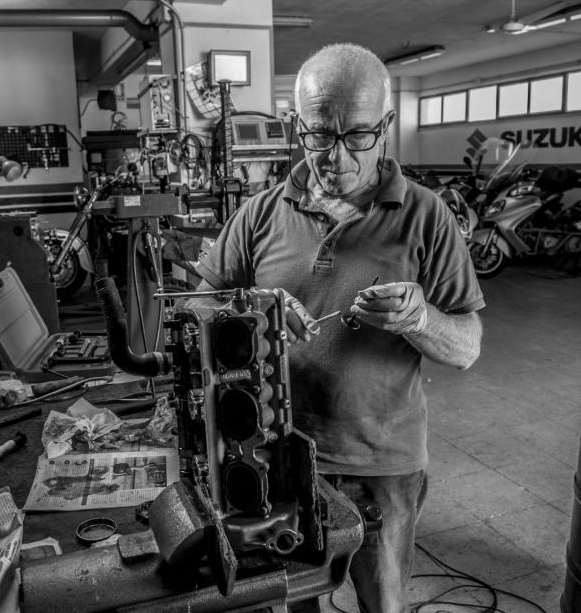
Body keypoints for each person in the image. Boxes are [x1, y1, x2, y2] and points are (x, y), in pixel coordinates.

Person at [190, 42, 485, 612]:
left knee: (383, 600)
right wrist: (252, 310)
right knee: (295, 600)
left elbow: (466, 347)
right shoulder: (260, 212)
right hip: (275, 456)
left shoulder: (428, 217)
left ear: (386, 126)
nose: (338, 157)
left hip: (382, 463)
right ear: (296, 125)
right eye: (321, 135)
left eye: (358, 135)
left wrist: (419, 318)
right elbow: (198, 306)